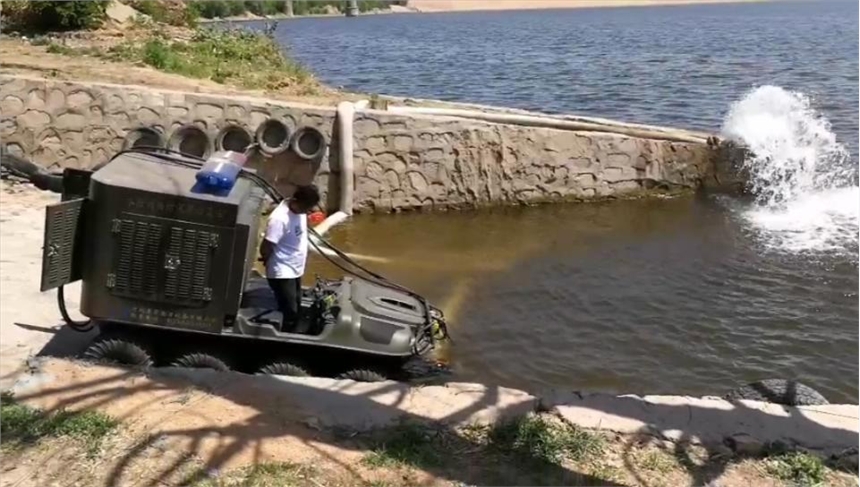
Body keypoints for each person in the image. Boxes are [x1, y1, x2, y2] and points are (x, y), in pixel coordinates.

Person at [260, 185, 320, 333]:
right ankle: (286, 337)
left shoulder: (300, 211)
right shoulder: (280, 219)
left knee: (297, 303)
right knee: (290, 311)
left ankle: (294, 329)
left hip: (295, 268)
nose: (307, 211)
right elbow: (266, 246)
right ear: (295, 200)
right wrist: (267, 261)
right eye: (306, 207)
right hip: (282, 271)